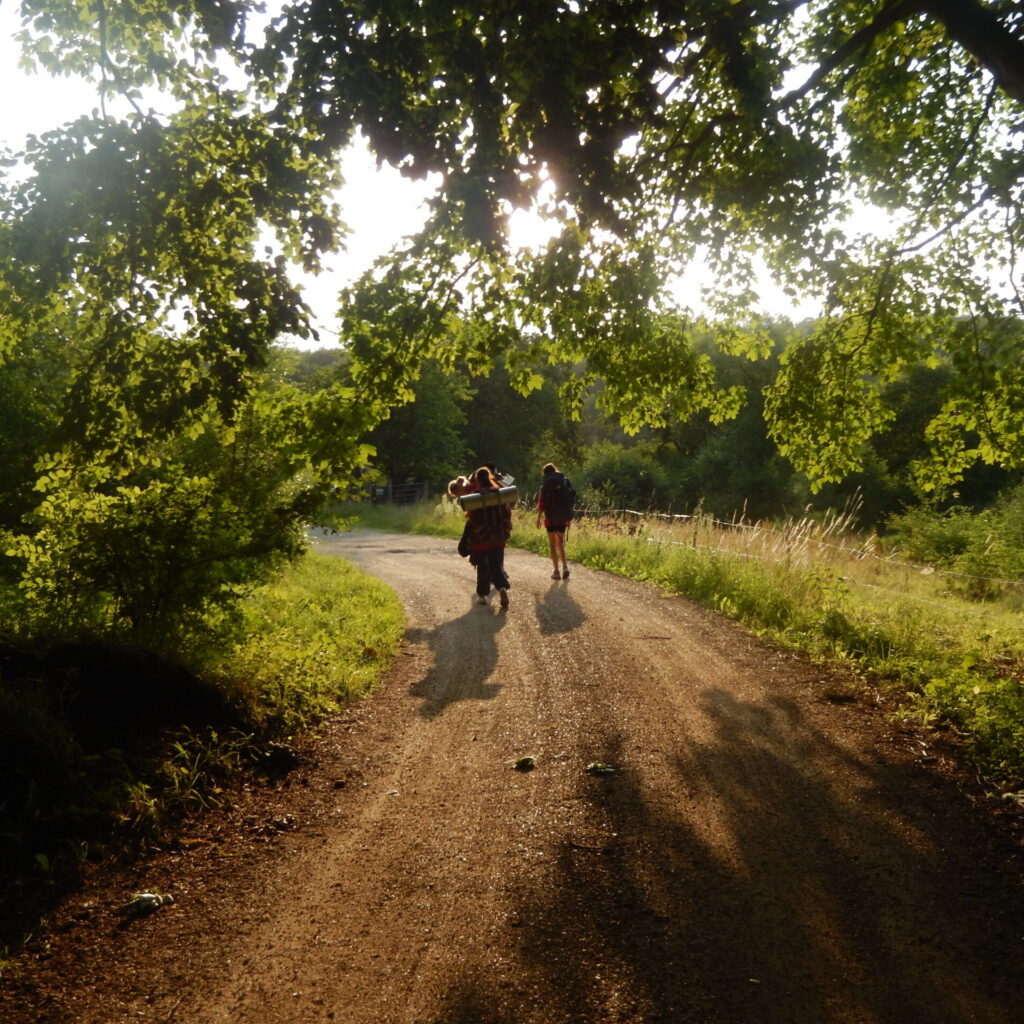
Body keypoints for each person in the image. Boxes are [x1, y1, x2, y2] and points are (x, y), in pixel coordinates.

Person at [466, 465, 512, 608]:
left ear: (478, 480)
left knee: (482, 567)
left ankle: (482, 596)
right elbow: (507, 513)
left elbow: (470, 516)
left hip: (481, 538)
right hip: (498, 537)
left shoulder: (474, 497)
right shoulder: (499, 494)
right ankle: (502, 587)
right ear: (490, 478)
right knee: (496, 565)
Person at [536, 462, 574, 580]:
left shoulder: (545, 484)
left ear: (545, 473)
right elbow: (571, 498)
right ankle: (565, 568)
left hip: (550, 518)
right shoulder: (564, 481)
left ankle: (556, 571)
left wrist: (538, 518)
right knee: (560, 543)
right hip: (563, 517)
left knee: (552, 544)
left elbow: (541, 504)